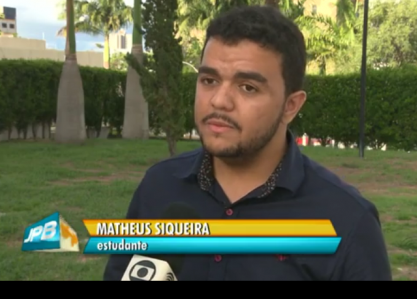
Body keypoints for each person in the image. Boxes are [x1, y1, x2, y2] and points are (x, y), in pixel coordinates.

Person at [103, 5, 391, 280]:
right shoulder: (159, 187)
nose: (219, 100)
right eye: (209, 80)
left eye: (248, 87)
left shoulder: (347, 221)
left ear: (290, 106)